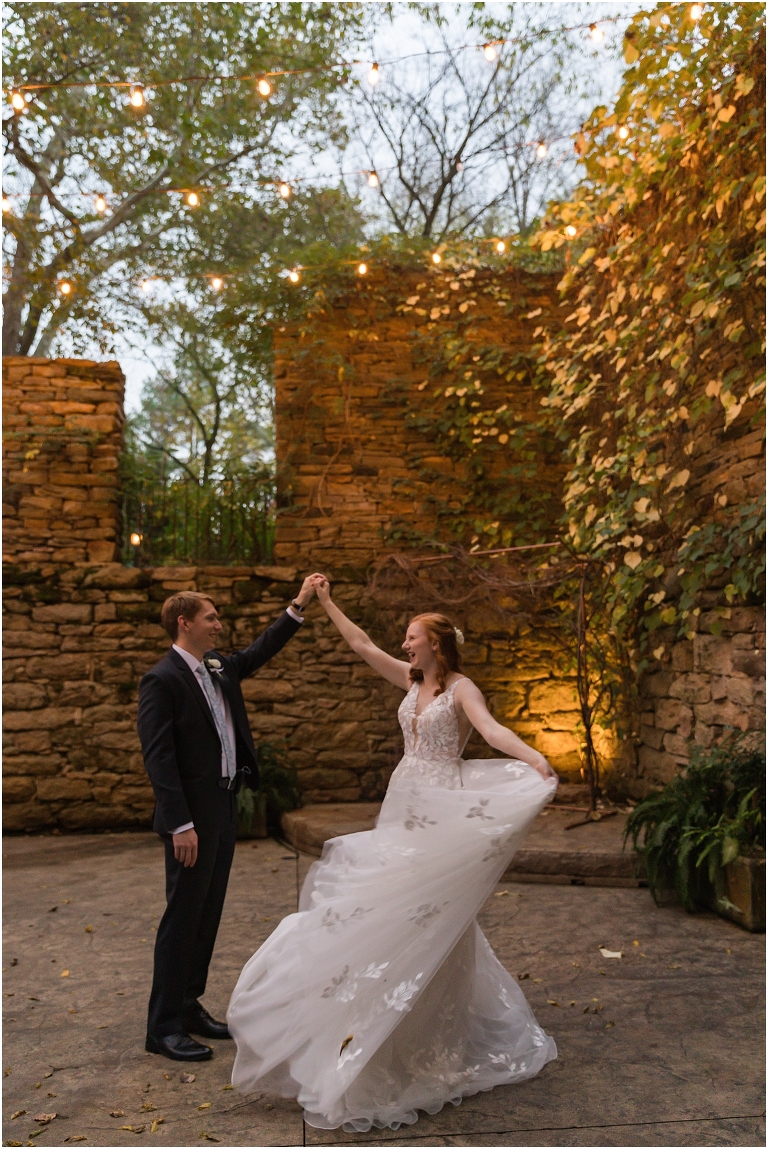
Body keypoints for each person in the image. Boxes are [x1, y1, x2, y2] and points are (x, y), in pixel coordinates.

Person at [228, 575, 559, 1131]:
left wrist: (535, 758)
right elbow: (360, 645)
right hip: (402, 803)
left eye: (412, 637)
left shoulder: (462, 689)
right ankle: (377, 1024)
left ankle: (430, 1035)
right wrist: (327, 602)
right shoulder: (409, 681)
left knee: (429, 910)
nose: (405, 644)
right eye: (405, 639)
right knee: (392, 904)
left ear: (436, 643)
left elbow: (492, 730)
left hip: (441, 805)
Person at [137, 577, 320, 1062]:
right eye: (211, 617)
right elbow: (159, 758)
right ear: (185, 623)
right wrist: (179, 824)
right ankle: (162, 1027)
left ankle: (188, 1004)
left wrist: (299, 604)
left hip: (222, 807)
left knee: (207, 913)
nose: (219, 624)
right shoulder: (161, 680)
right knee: (182, 918)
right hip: (190, 818)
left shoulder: (217, 667)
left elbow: (260, 651)